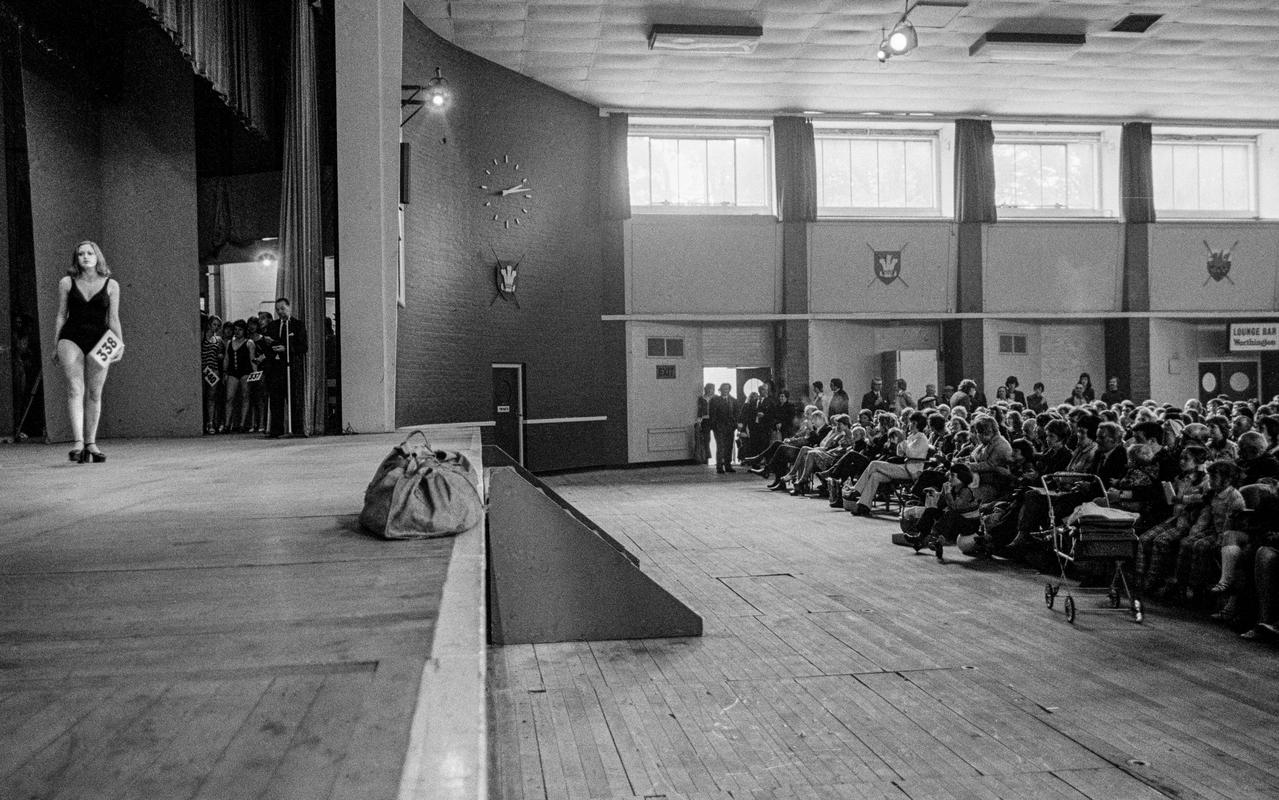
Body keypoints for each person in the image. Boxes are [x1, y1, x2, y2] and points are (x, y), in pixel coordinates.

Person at [52, 240, 123, 463]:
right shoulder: (66, 282)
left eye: (89, 253)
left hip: (102, 339)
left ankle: (91, 443)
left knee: (94, 392)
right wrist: (56, 344)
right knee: (75, 389)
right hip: (71, 336)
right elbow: (61, 315)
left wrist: (120, 343)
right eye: (81, 253)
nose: (85, 257)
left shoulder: (112, 285)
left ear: (97, 256)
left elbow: (113, 318)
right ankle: (78, 443)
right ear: (76, 258)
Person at [263, 297, 308, 438]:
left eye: (282, 308)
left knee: (294, 400)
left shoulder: (297, 325)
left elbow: (303, 347)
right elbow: (266, 348)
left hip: (291, 368)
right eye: (277, 309)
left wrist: (287, 348)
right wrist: (269, 344)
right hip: (276, 368)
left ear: (289, 308)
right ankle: (276, 430)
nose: (280, 312)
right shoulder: (273, 326)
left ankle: (297, 430)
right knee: (276, 400)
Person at [222, 320, 256, 433]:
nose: (237, 332)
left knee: (245, 396)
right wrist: (224, 372)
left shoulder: (249, 343)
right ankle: (227, 424)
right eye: (235, 329)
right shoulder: (229, 343)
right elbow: (227, 358)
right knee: (229, 398)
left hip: (245, 371)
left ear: (244, 330)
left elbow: (252, 359)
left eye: (240, 329)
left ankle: (242, 424)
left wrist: (255, 374)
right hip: (232, 372)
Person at [708, 382, 739, 473]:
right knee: (720, 447)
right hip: (719, 427)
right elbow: (712, 414)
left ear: (729, 390)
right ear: (720, 390)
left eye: (727, 389)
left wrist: (734, 425)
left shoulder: (733, 400)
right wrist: (714, 426)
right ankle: (719, 467)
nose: (725, 390)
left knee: (729, 447)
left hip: (730, 428)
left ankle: (728, 465)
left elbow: (737, 413)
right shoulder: (715, 400)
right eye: (724, 389)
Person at [695, 383, 714, 463]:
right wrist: (699, 420)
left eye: (712, 389)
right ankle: (706, 455)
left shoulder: (716, 398)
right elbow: (699, 410)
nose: (710, 390)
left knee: (718, 437)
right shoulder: (701, 398)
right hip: (705, 419)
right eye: (709, 388)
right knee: (706, 438)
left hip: (715, 419)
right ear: (705, 389)